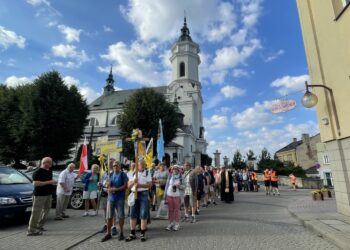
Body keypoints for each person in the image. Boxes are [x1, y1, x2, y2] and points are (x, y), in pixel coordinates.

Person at [27, 157, 57, 236]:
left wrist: (53, 183)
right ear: (45, 163)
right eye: (50, 163)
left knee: (46, 211)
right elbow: (35, 183)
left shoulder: (49, 170)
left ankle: (39, 226)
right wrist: (49, 182)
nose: (51, 164)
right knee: (36, 212)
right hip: (39, 195)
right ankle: (31, 230)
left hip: (48, 194)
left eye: (51, 163)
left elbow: (49, 181)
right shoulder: (37, 172)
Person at [101, 161, 128, 242]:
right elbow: (107, 184)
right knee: (109, 216)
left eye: (116, 165)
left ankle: (121, 232)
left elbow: (125, 186)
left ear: (120, 166)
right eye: (114, 166)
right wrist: (108, 186)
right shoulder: (110, 174)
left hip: (120, 198)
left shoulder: (123, 174)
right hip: (111, 198)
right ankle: (108, 233)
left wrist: (116, 189)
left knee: (121, 216)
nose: (115, 167)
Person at [126, 160, 152, 242]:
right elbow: (128, 186)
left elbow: (149, 185)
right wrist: (134, 182)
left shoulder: (147, 173)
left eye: (144, 165)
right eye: (141, 165)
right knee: (132, 213)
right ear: (138, 165)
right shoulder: (133, 173)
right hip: (134, 194)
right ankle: (132, 233)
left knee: (143, 213)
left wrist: (140, 185)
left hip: (143, 194)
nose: (143, 166)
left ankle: (142, 233)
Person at [99, 158, 118, 235]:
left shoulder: (116, 173)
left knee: (112, 211)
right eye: (108, 163)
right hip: (104, 194)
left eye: (111, 163)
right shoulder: (104, 173)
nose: (109, 164)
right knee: (105, 210)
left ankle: (113, 226)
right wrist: (99, 184)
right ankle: (106, 224)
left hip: (112, 194)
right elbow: (102, 182)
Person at [165, 165, 183, 231]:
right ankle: (171, 223)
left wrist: (179, 186)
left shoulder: (181, 177)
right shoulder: (170, 176)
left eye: (176, 169)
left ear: (178, 170)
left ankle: (177, 224)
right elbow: (167, 186)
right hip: (169, 195)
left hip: (177, 195)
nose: (174, 170)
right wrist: (165, 197)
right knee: (170, 210)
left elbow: (184, 186)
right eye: (173, 169)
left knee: (177, 210)